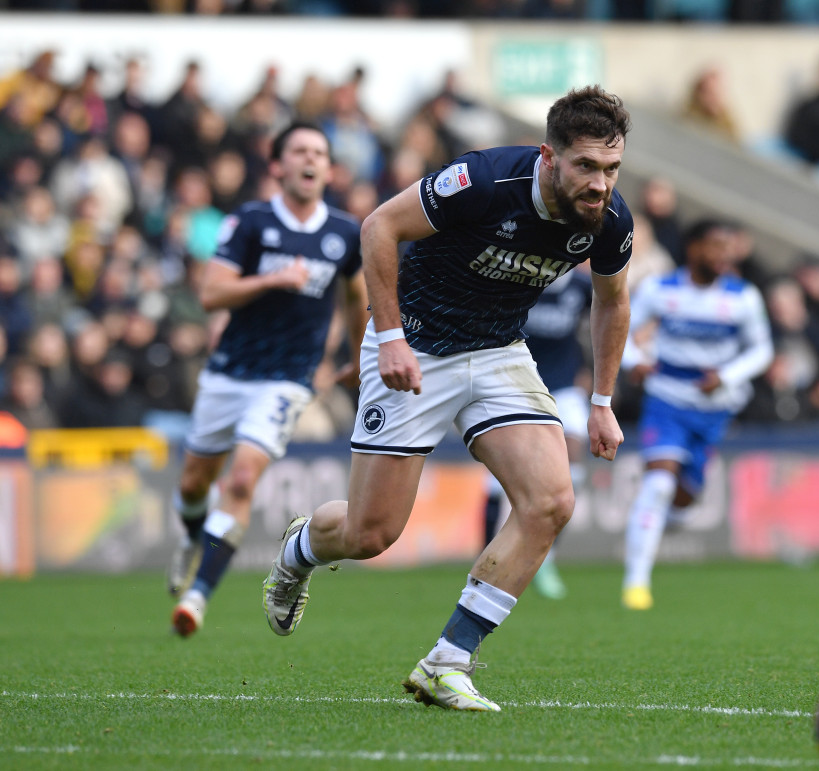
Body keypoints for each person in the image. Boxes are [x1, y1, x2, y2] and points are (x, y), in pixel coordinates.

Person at [260, 86, 633, 712]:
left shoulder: (608, 219)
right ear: (549, 157)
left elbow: (613, 301)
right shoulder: (484, 180)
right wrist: (390, 337)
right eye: (586, 167)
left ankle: (448, 661)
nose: (600, 184)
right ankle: (300, 549)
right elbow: (379, 226)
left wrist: (601, 400)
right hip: (416, 350)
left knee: (550, 502)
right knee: (370, 533)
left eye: (612, 168)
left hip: (495, 353)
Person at [168, 121, 368, 637]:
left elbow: (355, 296)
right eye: (298, 150)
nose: (310, 159)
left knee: (240, 480)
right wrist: (272, 279)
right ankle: (194, 538)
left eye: (319, 152)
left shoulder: (345, 233)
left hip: (287, 378)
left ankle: (197, 596)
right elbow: (212, 294)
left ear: (329, 167)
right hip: (229, 372)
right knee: (194, 484)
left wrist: (360, 352)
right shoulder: (252, 222)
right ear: (278, 166)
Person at [620, 219, 773, 611]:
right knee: (658, 485)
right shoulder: (660, 289)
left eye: (729, 247)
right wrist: (635, 361)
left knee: (684, 500)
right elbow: (618, 331)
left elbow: (761, 351)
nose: (724, 255)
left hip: (714, 408)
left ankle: (658, 521)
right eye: (716, 246)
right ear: (694, 249)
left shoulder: (743, 297)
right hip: (666, 399)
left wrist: (726, 376)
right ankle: (636, 583)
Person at [480, 264, 593, 600]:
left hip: (564, 386)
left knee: (571, 473)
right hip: (514, 384)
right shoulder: (522, 276)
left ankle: (545, 558)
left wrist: (591, 368)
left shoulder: (582, 287)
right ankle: (486, 557)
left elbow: (602, 322)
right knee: (498, 481)